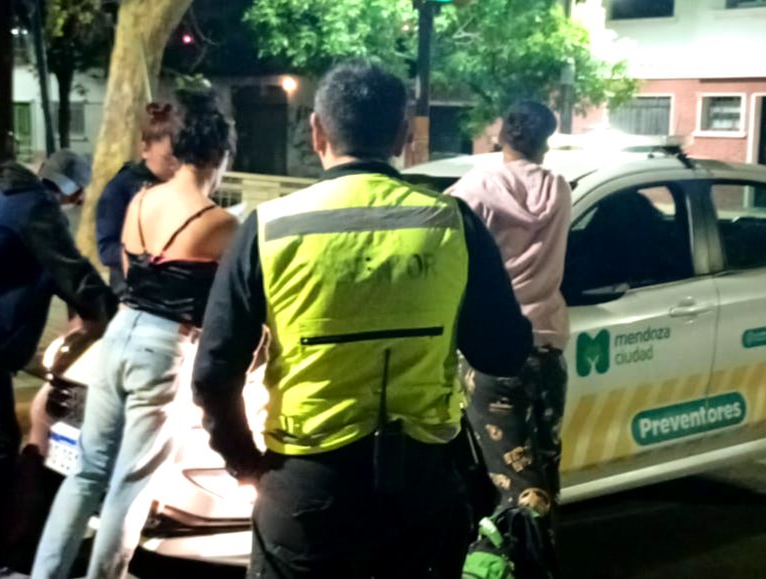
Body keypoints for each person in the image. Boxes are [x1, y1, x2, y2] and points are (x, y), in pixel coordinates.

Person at [192, 60, 532, 579]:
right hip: (421, 492)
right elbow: (504, 352)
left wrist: (246, 463)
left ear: (317, 131)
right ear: (402, 135)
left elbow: (213, 374)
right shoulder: (453, 224)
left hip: (306, 488)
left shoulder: (269, 227)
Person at [31, 87, 238, 579]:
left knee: (87, 473)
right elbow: (228, 304)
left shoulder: (141, 199)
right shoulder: (221, 224)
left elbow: (127, 269)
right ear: (218, 155)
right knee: (132, 482)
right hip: (164, 348)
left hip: (119, 332)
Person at [0, 150, 117, 579]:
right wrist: (118, 320)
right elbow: (74, 273)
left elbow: (56, 274)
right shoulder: (37, 209)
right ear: (76, 194)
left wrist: (84, 308)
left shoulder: (5, 196)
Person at [449, 100, 571, 560]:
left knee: (511, 485)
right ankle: (544, 561)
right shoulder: (558, 189)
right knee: (544, 474)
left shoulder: (476, 189)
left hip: (494, 351)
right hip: (548, 348)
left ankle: (511, 567)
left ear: (501, 135)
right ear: (545, 142)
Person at [96, 102, 180, 296]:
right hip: (132, 292)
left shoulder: (180, 186)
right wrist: (149, 256)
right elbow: (106, 249)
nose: (176, 166)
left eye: (181, 158)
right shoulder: (119, 188)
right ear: (145, 148)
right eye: (168, 158)